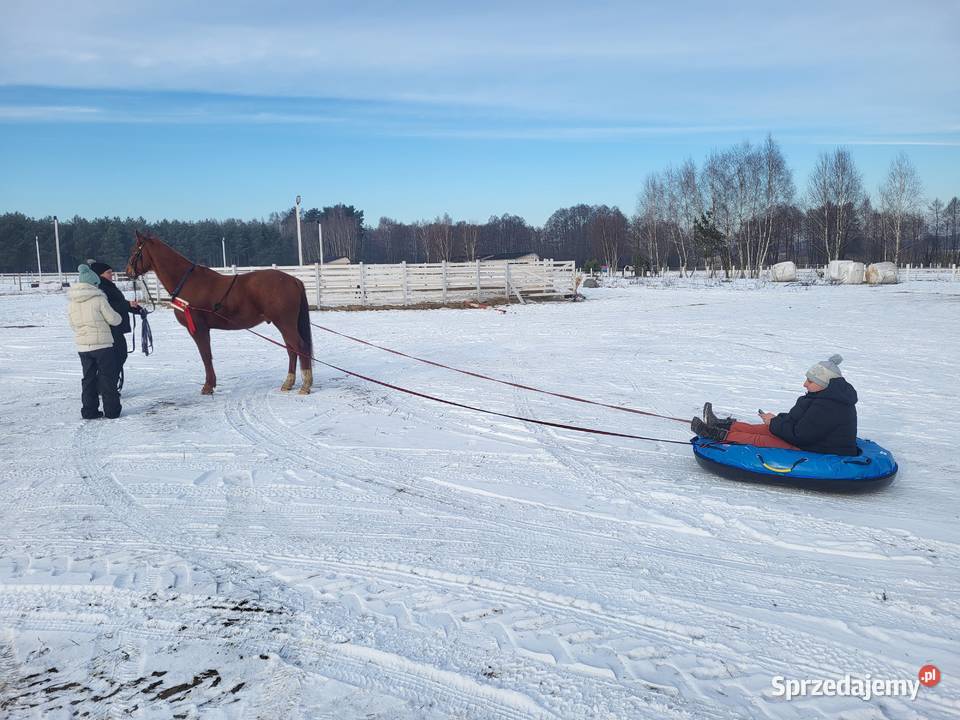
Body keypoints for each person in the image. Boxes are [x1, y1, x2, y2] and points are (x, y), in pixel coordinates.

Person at [691, 354, 859, 456]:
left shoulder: (829, 406)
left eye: (810, 380)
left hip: (819, 449)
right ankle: (721, 425)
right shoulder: (822, 395)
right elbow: (798, 420)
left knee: (761, 439)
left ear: (823, 383)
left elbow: (800, 436)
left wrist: (774, 423)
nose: (804, 384)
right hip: (809, 440)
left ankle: (714, 434)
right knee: (761, 429)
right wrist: (775, 420)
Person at [67, 264, 123, 419]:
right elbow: (114, 319)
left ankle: (89, 411)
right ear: (94, 283)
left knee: (88, 379)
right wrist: (119, 316)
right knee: (107, 378)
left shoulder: (72, 302)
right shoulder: (99, 299)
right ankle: (112, 411)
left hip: (83, 347)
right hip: (103, 345)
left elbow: (72, 324)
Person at [88, 260, 142, 389]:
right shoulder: (102, 288)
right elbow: (108, 306)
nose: (111, 275)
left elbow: (118, 303)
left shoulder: (108, 286)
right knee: (116, 357)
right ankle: (106, 386)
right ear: (100, 274)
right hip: (110, 328)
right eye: (108, 273)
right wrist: (128, 305)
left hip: (116, 327)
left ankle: (106, 385)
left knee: (118, 356)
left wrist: (136, 309)